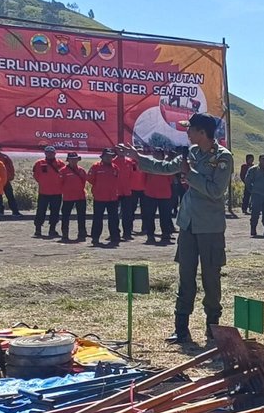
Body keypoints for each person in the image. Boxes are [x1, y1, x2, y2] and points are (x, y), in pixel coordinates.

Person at [131, 113, 233, 344]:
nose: (186, 133)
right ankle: (181, 327)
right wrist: (139, 159)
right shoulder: (192, 153)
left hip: (210, 228)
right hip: (188, 224)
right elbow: (166, 167)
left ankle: (213, 327)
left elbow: (216, 191)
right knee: (185, 276)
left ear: (202, 132)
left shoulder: (223, 157)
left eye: (190, 129)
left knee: (211, 278)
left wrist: (189, 173)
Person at [87, 148, 123, 246]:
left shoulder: (115, 167)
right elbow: (90, 179)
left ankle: (115, 237)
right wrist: (99, 188)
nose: (109, 158)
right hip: (100, 197)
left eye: (111, 156)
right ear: (102, 156)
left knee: (114, 219)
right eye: (107, 156)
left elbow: (117, 180)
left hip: (112, 198)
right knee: (98, 219)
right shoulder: (96, 167)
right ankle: (95, 238)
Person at [140, 148, 176, 244]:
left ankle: (166, 234)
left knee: (165, 216)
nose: (157, 156)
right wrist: (146, 189)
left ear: (162, 155)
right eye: (155, 154)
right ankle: (150, 235)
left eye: (159, 154)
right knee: (150, 216)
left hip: (164, 194)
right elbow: (144, 179)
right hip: (150, 194)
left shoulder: (167, 165)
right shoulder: (149, 165)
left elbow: (170, 179)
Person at [32, 146, 66, 238]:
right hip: (44, 192)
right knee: (40, 211)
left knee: (55, 212)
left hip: (57, 192)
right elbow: (36, 175)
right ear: (45, 153)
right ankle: (38, 229)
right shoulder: (39, 163)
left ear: (55, 153)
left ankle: (52, 229)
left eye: (52, 152)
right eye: (48, 152)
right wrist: (44, 183)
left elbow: (64, 175)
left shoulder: (60, 163)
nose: (50, 154)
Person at [58, 152, 88, 241]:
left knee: (81, 216)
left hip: (80, 196)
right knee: (65, 216)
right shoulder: (63, 171)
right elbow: (59, 183)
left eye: (75, 159)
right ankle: (65, 233)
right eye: (71, 159)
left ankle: (82, 233)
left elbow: (84, 182)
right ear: (68, 160)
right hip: (68, 197)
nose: (73, 161)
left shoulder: (82, 170)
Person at [0, 141, 21, 216]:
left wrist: (11, 176)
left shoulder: (5, 157)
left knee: (10, 196)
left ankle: (15, 211)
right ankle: (0, 211)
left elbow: (11, 167)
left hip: (5, 180)